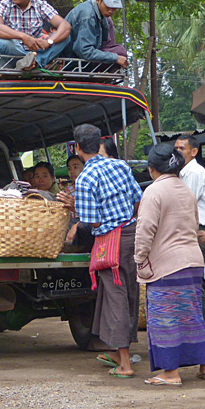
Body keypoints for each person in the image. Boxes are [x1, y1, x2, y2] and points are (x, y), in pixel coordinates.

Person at [58, 124, 143, 378]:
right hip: (131, 235)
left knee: (115, 297)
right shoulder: (121, 166)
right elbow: (138, 200)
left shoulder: (84, 178)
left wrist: (75, 209)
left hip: (109, 242)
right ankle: (119, 353)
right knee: (127, 294)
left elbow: (92, 221)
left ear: (78, 148)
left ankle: (125, 363)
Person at [134, 143, 205, 386]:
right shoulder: (186, 190)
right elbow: (195, 223)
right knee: (192, 316)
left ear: (151, 169)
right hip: (192, 261)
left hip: (166, 265)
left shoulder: (153, 191)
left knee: (165, 318)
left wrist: (139, 259)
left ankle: (171, 373)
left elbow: (145, 230)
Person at [174, 134, 205, 339]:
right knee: (192, 282)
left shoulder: (193, 172)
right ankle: (200, 334)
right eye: (176, 148)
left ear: (193, 151)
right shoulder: (185, 172)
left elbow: (183, 205)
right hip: (194, 229)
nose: (178, 152)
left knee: (194, 282)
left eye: (182, 148)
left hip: (197, 230)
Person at [62, 0, 129, 69]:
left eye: (114, 7)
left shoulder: (104, 16)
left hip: (88, 57)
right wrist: (115, 58)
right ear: (98, 0)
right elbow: (83, 51)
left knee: (120, 51)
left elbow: (108, 45)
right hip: (73, 61)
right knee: (119, 54)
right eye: (108, 6)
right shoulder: (88, 16)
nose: (111, 11)